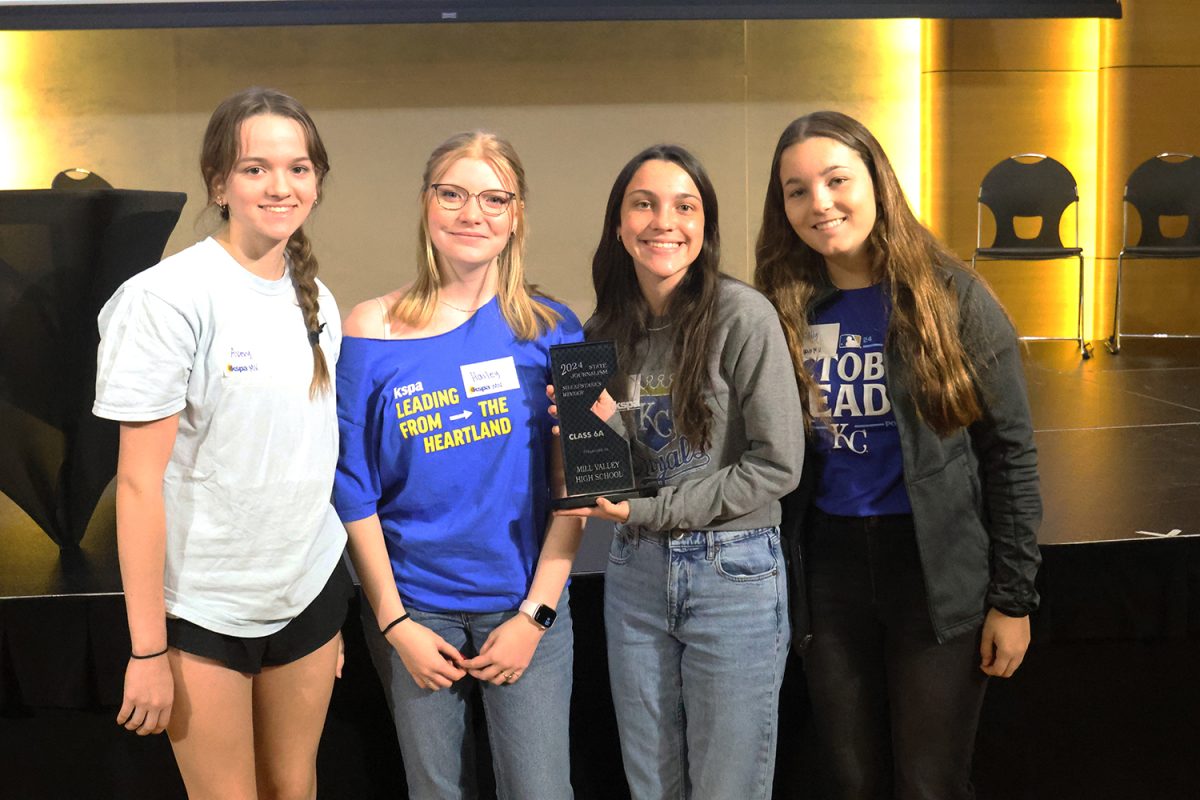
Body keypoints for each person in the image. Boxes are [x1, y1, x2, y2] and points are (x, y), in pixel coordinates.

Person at [754, 110, 1042, 799]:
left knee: (929, 783)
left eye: (835, 180)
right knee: (852, 780)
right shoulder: (779, 309)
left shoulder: (954, 300)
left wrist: (1014, 598)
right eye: (797, 190)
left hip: (935, 573)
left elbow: (1011, 456)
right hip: (829, 574)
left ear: (877, 182)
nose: (819, 203)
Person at [93, 87, 350, 800]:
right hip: (204, 610)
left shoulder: (318, 300)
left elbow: (307, 456)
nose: (280, 186)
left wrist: (322, 616)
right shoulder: (166, 299)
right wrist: (148, 649)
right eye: (255, 168)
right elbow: (139, 486)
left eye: (299, 168)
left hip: (306, 598)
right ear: (219, 183)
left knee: (294, 790)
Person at [333, 131, 584, 800]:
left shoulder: (555, 329)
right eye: (453, 194)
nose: (472, 213)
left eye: (493, 198)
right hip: (416, 615)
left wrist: (535, 616)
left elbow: (577, 493)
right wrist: (395, 626)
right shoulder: (370, 327)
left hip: (525, 608)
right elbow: (352, 489)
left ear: (515, 215)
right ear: (427, 204)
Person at [558, 144, 804, 800]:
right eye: (644, 203)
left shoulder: (742, 316)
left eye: (684, 206)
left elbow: (776, 466)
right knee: (653, 787)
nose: (663, 221)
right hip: (635, 575)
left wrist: (643, 511)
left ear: (705, 227)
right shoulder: (600, 332)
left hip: (734, 572)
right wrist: (580, 441)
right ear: (619, 225)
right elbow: (622, 476)